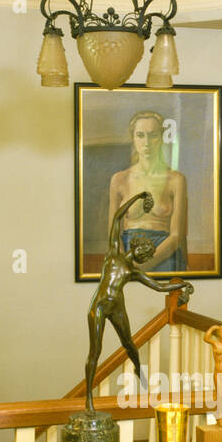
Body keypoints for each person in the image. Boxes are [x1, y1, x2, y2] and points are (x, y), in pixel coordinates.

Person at [85, 192, 193, 412]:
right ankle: (88, 395)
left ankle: (137, 369)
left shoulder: (135, 272)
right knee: (95, 351)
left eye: (146, 253)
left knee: (129, 343)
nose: (143, 252)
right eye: (143, 248)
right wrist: (138, 197)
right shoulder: (113, 253)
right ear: (136, 245)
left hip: (117, 307)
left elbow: (160, 286)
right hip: (99, 306)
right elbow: (117, 219)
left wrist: (184, 285)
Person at [108, 111, 189, 272]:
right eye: (140, 135)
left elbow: (177, 235)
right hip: (127, 256)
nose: (147, 143)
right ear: (133, 139)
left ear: (161, 138)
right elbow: (113, 232)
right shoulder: (119, 179)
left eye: (153, 135)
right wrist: (127, 263)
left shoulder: (176, 179)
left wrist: (145, 264)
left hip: (166, 254)